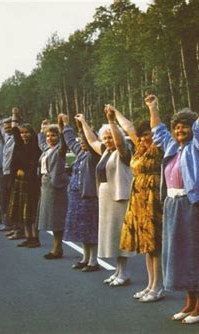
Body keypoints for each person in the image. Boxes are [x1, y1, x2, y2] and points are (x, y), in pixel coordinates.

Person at [150, 91, 199, 324]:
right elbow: (158, 132)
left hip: (192, 205)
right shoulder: (172, 147)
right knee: (178, 254)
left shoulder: (198, 147)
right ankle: (189, 303)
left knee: (195, 254)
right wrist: (153, 108)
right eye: (177, 127)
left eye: (184, 127)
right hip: (172, 204)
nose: (179, 131)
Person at [76, 107, 134, 286]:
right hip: (106, 198)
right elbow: (92, 140)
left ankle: (123, 273)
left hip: (118, 198)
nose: (108, 140)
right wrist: (83, 122)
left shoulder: (123, 152)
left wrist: (111, 121)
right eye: (105, 138)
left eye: (110, 137)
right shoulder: (106, 152)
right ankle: (117, 272)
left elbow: (119, 142)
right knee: (111, 236)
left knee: (120, 235)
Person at [113, 105, 164, 302]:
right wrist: (115, 113)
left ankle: (157, 287)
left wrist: (152, 108)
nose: (144, 138)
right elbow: (127, 128)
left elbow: (153, 127)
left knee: (155, 244)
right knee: (146, 245)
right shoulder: (139, 149)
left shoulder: (158, 147)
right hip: (138, 198)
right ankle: (150, 285)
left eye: (148, 134)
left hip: (153, 198)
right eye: (142, 135)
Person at [60, 113, 100, 272]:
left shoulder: (94, 155)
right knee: (82, 229)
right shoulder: (81, 153)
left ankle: (93, 261)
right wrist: (65, 125)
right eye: (81, 141)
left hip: (89, 197)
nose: (82, 143)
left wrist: (83, 123)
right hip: (76, 196)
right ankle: (85, 258)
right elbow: (70, 141)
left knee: (90, 229)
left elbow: (91, 144)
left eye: (85, 141)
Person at [6, 109, 41, 248]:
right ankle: (28, 237)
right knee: (22, 212)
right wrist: (14, 115)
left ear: (32, 134)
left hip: (31, 183)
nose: (23, 135)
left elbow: (33, 166)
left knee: (31, 212)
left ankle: (35, 238)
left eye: (26, 132)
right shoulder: (19, 145)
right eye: (22, 133)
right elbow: (14, 130)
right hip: (19, 183)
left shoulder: (35, 148)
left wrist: (25, 172)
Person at [37, 120, 69, 259]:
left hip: (55, 185)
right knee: (50, 217)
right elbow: (41, 142)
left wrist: (62, 129)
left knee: (56, 217)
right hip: (45, 184)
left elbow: (64, 144)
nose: (50, 138)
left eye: (53, 136)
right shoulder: (46, 149)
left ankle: (57, 248)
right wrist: (41, 130)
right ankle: (56, 247)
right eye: (48, 136)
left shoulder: (59, 150)